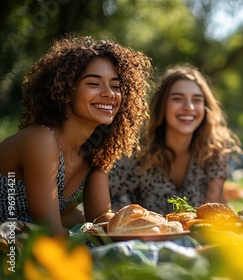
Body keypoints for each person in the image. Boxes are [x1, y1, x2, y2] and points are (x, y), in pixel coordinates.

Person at [0, 35, 153, 236]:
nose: (109, 94)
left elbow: (99, 218)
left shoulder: (95, 150)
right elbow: (50, 232)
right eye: (93, 83)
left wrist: (142, 225)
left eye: (115, 86)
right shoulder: (41, 140)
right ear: (65, 89)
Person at [109, 64, 242, 214]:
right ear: (162, 106)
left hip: (196, 235)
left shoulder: (215, 150)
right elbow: (107, 201)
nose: (189, 107)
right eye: (178, 99)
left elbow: (213, 213)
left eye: (197, 100)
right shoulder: (136, 151)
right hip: (145, 235)